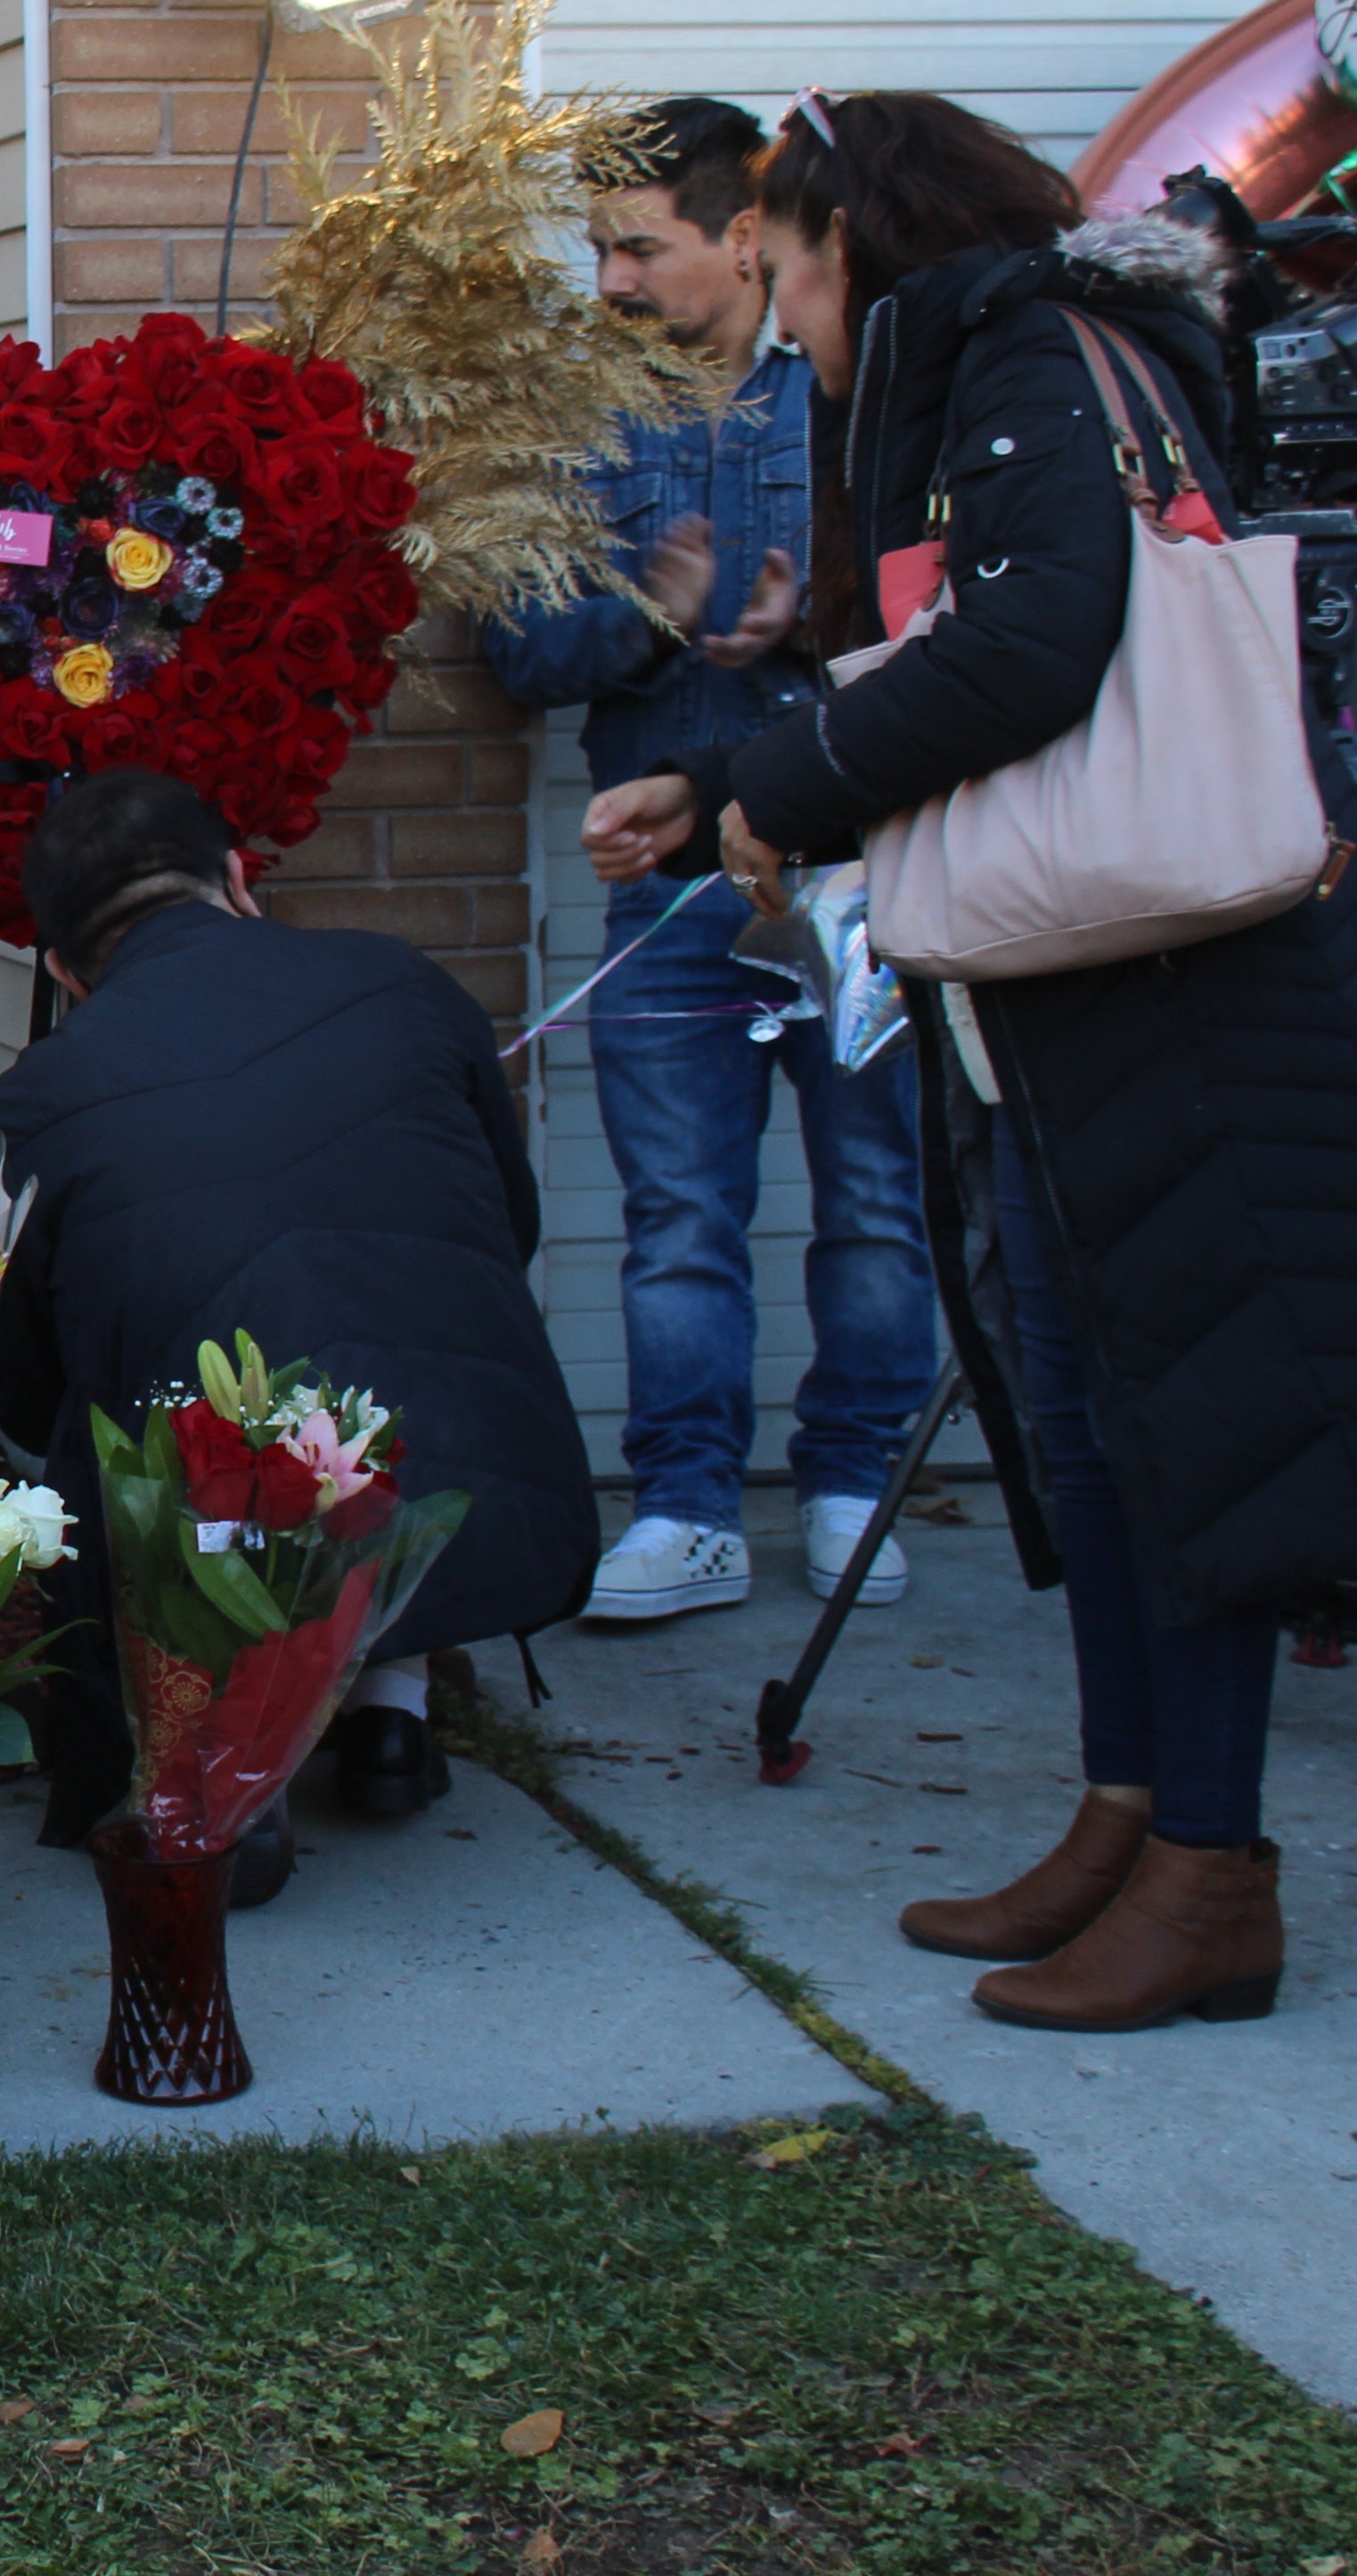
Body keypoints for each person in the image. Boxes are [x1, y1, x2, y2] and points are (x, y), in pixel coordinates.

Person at [584, 90, 1357, 2034]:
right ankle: (1130, 1815)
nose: (784, 312)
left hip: (1173, 981)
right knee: (1085, 1413)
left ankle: (1212, 1874)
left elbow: (1035, 649)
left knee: (1177, 1428)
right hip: (1072, 975)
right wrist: (722, 796)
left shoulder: (1027, 350)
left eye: (787, 270)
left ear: (861, 240)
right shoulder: (997, 367)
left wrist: (774, 781)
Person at [0, 772, 599, 1871]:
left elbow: (17, 1390)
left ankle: (225, 1756)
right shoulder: (403, 981)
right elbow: (511, 1227)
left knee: (113, 1423)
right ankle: (391, 1715)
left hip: (230, 1551)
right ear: (241, 883)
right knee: (381, 1352)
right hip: (493, 1506)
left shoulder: (33, 1106)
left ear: (64, 971)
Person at [481, 97, 936, 1624]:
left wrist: (806, 627)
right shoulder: (571, 416)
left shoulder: (853, 396)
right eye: (594, 246)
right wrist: (647, 614)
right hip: (664, 892)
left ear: (742, 237)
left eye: (634, 246)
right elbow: (515, 649)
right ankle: (683, 1509)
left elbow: (952, 635)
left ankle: (850, 1487)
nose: (603, 280)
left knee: (875, 1191)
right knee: (679, 1215)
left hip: (858, 873)